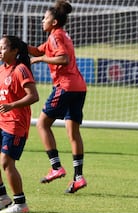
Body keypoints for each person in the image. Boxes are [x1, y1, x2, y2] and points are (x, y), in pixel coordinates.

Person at [27, 0, 87, 194]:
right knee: (73, 132)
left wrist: (40, 59)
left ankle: (56, 167)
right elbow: (37, 50)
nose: (42, 20)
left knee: (42, 124)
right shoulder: (60, 35)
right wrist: (20, 45)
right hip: (79, 87)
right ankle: (78, 177)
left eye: (45, 18)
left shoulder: (55, 37)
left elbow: (63, 59)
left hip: (66, 86)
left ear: (53, 22)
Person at [0, 35, 39, 213]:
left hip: (15, 124)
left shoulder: (21, 69)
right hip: (2, 122)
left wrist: (12, 105)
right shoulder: (2, 70)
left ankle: (20, 204)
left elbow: (33, 96)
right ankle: (3, 197)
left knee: (7, 163)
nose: (0, 51)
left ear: (14, 51)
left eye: (3, 48)